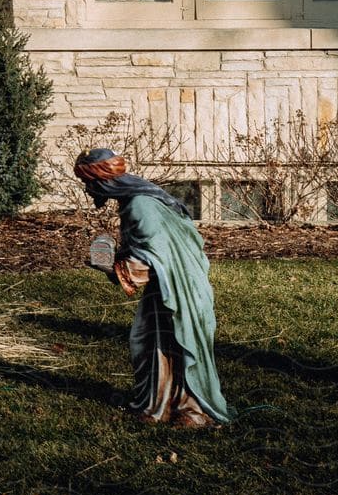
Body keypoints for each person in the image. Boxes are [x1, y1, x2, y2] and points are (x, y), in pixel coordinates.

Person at [74, 148, 230, 428]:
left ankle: (192, 411)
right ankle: (160, 407)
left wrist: (109, 266)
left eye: (88, 183)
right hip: (171, 284)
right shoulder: (143, 197)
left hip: (179, 288)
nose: (87, 190)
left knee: (174, 344)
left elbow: (149, 260)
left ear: (102, 181)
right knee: (152, 342)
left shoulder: (139, 205)